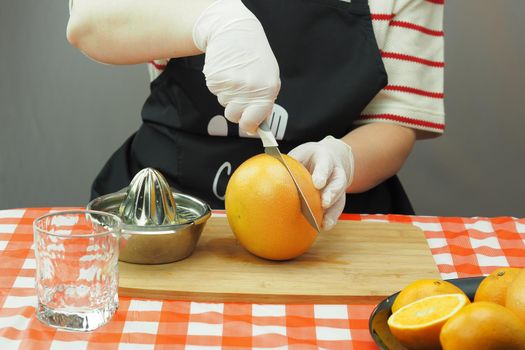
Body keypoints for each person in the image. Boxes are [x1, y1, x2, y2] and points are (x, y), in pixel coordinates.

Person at [67, 0, 445, 231]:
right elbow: (88, 20)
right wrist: (211, 19)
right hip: (167, 215)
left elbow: (395, 124)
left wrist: (343, 160)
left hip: (324, 221)